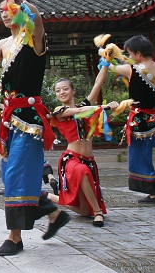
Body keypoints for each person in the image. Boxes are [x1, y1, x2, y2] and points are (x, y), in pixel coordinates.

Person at [0, 0, 69, 256]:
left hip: (29, 121)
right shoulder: (4, 43)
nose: (5, 13)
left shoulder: (34, 38)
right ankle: (54, 214)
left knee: (16, 174)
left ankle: (15, 237)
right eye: (2, 9)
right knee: (10, 174)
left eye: (11, 8)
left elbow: (38, 19)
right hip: (8, 120)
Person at [113, 35, 155, 205]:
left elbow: (112, 67)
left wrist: (107, 55)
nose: (130, 57)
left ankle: (154, 194)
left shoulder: (132, 69)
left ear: (139, 53)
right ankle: (154, 196)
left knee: (140, 157)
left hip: (141, 123)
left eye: (130, 53)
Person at [48, 66, 116, 227]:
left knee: (85, 212)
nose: (62, 92)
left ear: (73, 91)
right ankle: (98, 213)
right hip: (72, 159)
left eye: (65, 89)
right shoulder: (59, 111)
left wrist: (105, 63)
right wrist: (102, 107)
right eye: (58, 91)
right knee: (82, 171)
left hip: (88, 160)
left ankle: (48, 197)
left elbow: (98, 84)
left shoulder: (83, 106)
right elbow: (81, 111)